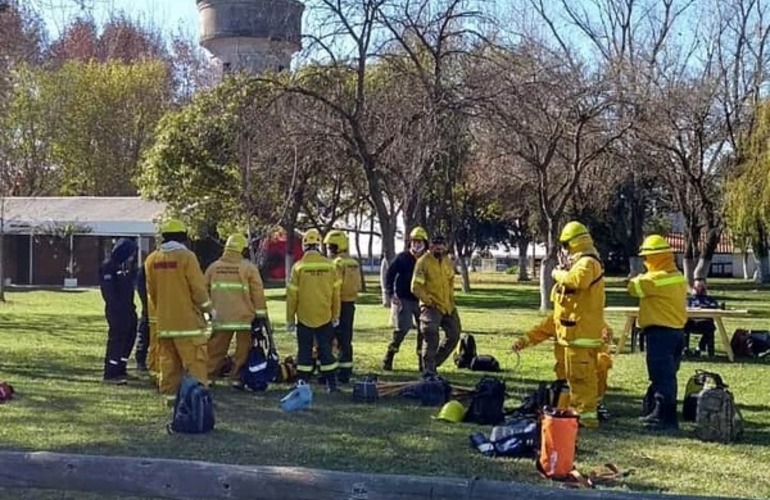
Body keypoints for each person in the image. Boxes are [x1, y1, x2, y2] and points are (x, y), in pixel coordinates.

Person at [513, 221, 605, 428]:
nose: (563, 251)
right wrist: (525, 340)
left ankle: (585, 419)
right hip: (572, 337)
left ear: (573, 244)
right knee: (573, 380)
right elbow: (553, 321)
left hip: (581, 337)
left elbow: (577, 281)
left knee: (581, 381)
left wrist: (556, 273)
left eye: (565, 246)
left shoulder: (588, 263)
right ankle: (574, 414)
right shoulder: (579, 265)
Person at [145, 219, 215, 405]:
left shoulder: (152, 259)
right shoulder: (187, 257)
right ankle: (198, 398)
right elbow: (198, 288)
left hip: (164, 323)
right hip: (187, 324)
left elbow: (152, 292)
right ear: (183, 237)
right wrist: (208, 309)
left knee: (168, 363)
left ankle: (171, 397)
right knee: (195, 362)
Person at [628, 234, 688, 431]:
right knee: (668, 375)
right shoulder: (677, 275)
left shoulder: (655, 279)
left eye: (646, 257)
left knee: (662, 376)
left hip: (661, 333)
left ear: (654, 258)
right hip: (677, 332)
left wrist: (638, 276)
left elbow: (632, 288)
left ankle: (665, 418)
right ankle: (657, 411)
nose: (645, 261)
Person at [514, 319, 614, 421]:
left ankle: (594, 404)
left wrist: (605, 336)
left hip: (589, 369)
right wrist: (522, 342)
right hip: (566, 370)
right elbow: (539, 331)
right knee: (565, 403)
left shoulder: (589, 316)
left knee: (602, 362)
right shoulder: (558, 317)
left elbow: (605, 333)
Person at [205, 234, 270, 390]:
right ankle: (237, 378)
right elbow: (257, 293)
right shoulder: (248, 268)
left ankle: (207, 376)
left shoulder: (213, 268)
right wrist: (261, 315)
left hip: (220, 317)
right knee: (243, 351)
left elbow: (203, 290)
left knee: (214, 350)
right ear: (242, 249)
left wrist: (208, 311)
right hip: (244, 318)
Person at [286, 229, 341, 393]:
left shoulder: (298, 267)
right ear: (318, 245)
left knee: (304, 351)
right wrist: (336, 315)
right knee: (326, 351)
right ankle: (332, 384)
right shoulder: (330, 266)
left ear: (304, 246)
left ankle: (302, 382)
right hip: (325, 316)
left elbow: (292, 297)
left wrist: (290, 319)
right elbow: (336, 294)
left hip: (304, 316)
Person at [411, 234, 461, 375]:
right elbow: (415, 287)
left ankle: (433, 362)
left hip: (448, 306)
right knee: (431, 335)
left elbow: (450, 281)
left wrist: (451, 300)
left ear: (445, 247)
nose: (439, 248)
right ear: (431, 246)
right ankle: (428, 371)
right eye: (436, 246)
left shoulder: (447, 261)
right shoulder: (422, 262)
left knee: (454, 334)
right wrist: (428, 301)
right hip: (430, 306)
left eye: (442, 246)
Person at [382, 226, 429, 371]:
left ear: (425, 243)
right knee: (403, 328)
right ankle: (390, 354)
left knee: (424, 331)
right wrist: (390, 294)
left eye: (419, 241)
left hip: (422, 300)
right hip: (404, 299)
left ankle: (422, 362)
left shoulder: (428, 259)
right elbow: (389, 274)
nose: (416, 244)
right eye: (414, 241)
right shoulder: (402, 257)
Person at [99, 238, 138, 385]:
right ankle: (110, 372)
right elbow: (109, 292)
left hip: (129, 309)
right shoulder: (108, 266)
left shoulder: (124, 266)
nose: (133, 256)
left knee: (130, 337)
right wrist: (118, 307)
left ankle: (121, 367)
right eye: (131, 253)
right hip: (117, 311)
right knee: (117, 339)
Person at [323, 229, 360, 384]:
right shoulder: (354, 262)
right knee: (346, 338)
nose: (328, 249)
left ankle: (329, 371)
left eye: (330, 246)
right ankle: (345, 371)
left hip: (337, 304)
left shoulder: (336, 263)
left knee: (330, 338)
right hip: (350, 304)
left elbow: (334, 286)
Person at [684, 278, 718, 357]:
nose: (699, 288)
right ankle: (685, 349)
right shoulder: (690, 300)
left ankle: (701, 348)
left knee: (710, 328)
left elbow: (715, 307)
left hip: (705, 323)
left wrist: (704, 307)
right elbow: (684, 309)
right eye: (697, 286)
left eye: (701, 286)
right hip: (692, 323)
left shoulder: (709, 299)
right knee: (683, 326)